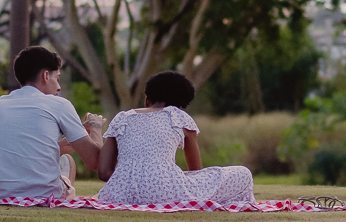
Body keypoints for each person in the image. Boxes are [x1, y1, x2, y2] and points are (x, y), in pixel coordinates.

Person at [96, 70, 254, 206]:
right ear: (180, 106)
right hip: (167, 193)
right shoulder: (178, 116)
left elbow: (103, 172)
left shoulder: (122, 118)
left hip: (118, 195)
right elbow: (196, 171)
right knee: (243, 173)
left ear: (147, 101)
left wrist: (129, 180)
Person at [0, 46, 106, 202]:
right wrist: (95, 126)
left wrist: (77, 135)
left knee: (62, 158)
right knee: (67, 172)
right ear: (46, 75)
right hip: (44, 196)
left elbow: (29, 146)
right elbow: (96, 163)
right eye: (58, 79)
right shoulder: (59, 105)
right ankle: (65, 187)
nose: (59, 87)